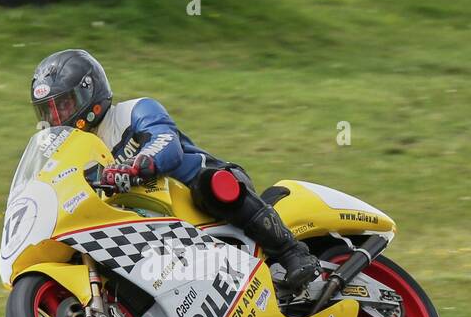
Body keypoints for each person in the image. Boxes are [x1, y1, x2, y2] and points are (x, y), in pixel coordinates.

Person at [30, 48, 320, 292]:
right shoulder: (75, 151)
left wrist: (135, 167)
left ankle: (292, 253)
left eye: (64, 106)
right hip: (153, 222)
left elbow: (167, 144)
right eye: (49, 112)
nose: (58, 118)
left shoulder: (133, 111)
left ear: (88, 92)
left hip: (201, 190)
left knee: (212, 185)